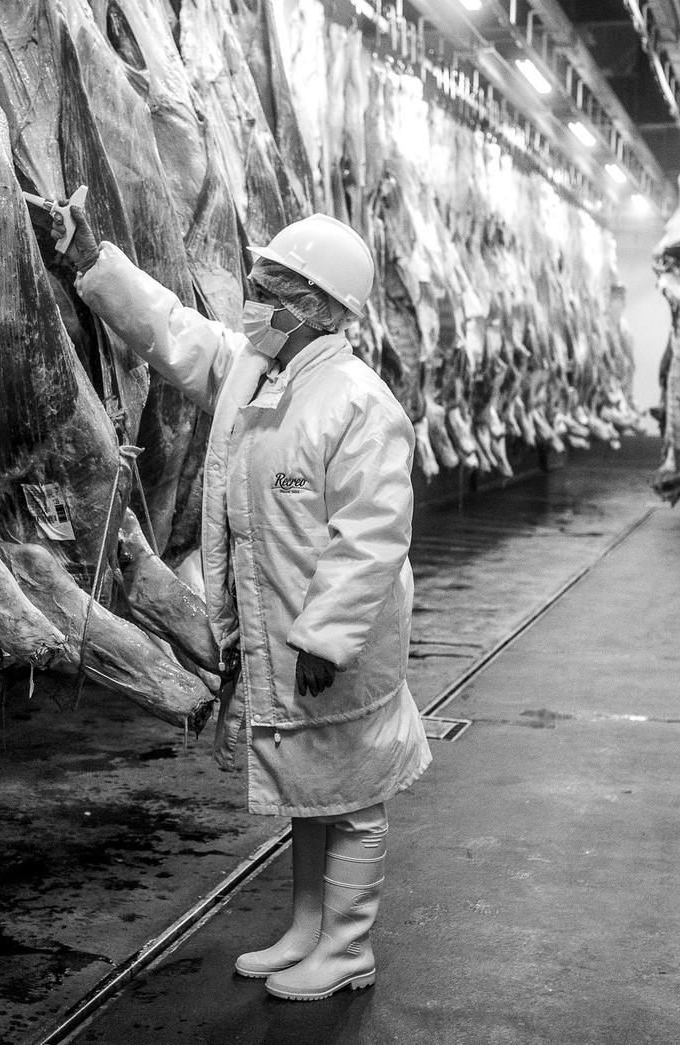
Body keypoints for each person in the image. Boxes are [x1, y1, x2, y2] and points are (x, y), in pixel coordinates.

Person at [48, 203, 432, 1002]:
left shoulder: (358, 403)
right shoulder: (257, 375)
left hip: (339, 648)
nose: (249, 299)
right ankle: (305, 929)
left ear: (315, 309)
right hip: (278, 633)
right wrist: (95, 266)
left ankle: (348, 945)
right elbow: (175, 333)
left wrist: (325, 639)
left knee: (353, 795)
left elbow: (372, 538)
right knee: (309, 790)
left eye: (267, 288)